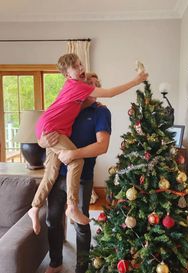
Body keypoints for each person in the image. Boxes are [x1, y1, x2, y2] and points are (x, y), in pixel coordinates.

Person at [28, 53, 148, 234]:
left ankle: (35, 207)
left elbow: (82, 111)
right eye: (76, 67)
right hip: (51, 129)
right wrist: (136, 80)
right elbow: (110, 93)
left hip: (49, 128)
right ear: (68, 75)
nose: (81, 68)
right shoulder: (77, 86)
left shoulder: (82, 101)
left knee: (51, 172)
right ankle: (72, 206)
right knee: (75, 161)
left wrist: (96, 104)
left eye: (80, 64)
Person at [41, 73, 111, 273]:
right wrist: (42, 141)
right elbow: (44, 132)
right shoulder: (68, 108)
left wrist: (73, 154)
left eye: (97, 84)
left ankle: (82, 267)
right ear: (80, 87)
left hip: (83, 176)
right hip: (57, 175)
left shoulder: (101, 113)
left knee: (80, 222)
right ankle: (55, 262)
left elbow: (102, 146)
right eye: (89, 83)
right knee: (52, 219)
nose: (93, 87)